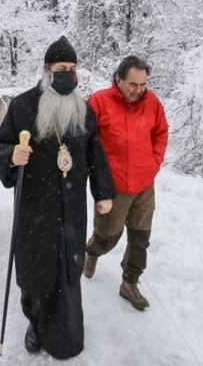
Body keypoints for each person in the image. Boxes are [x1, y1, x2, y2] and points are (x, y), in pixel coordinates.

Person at [0, 36, 116, 359]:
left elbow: (95, 153)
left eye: (73, 69)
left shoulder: (84, 111)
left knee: (68, 271)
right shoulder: (23, 105)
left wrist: (103, 192)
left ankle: (68, 330)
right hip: (35, 209)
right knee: (35, 273)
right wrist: (11, 156)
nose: (68, 74)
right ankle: (35, 323)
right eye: (62, 68)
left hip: (72, 210)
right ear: (47, 70)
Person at [83, 56, 169, 311]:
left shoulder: (152, 102)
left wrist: (154, 162)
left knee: (140, 237)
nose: (139, 90)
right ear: (118, 79)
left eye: (143, 84)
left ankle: (129, 282)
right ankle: (93, 251)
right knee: (108, 236)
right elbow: (85, 140)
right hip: (113, 188)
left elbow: (161, 132)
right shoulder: (99, 102)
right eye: (133, 84)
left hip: (144, 184)